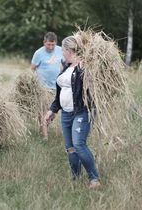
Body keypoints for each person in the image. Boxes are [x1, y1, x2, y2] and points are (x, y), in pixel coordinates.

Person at [43, 35, 101, 189]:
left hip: (82, 111)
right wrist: (52, 110)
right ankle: (76, 179)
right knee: (70, 148)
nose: (62, 53)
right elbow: (59, 91)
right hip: (66, 113)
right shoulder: (65, 66)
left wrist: (82, 64)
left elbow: (89, 88)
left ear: (70, 50)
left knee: (79, 144)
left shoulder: (84, 68)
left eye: (64, 50)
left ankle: (94, 179)